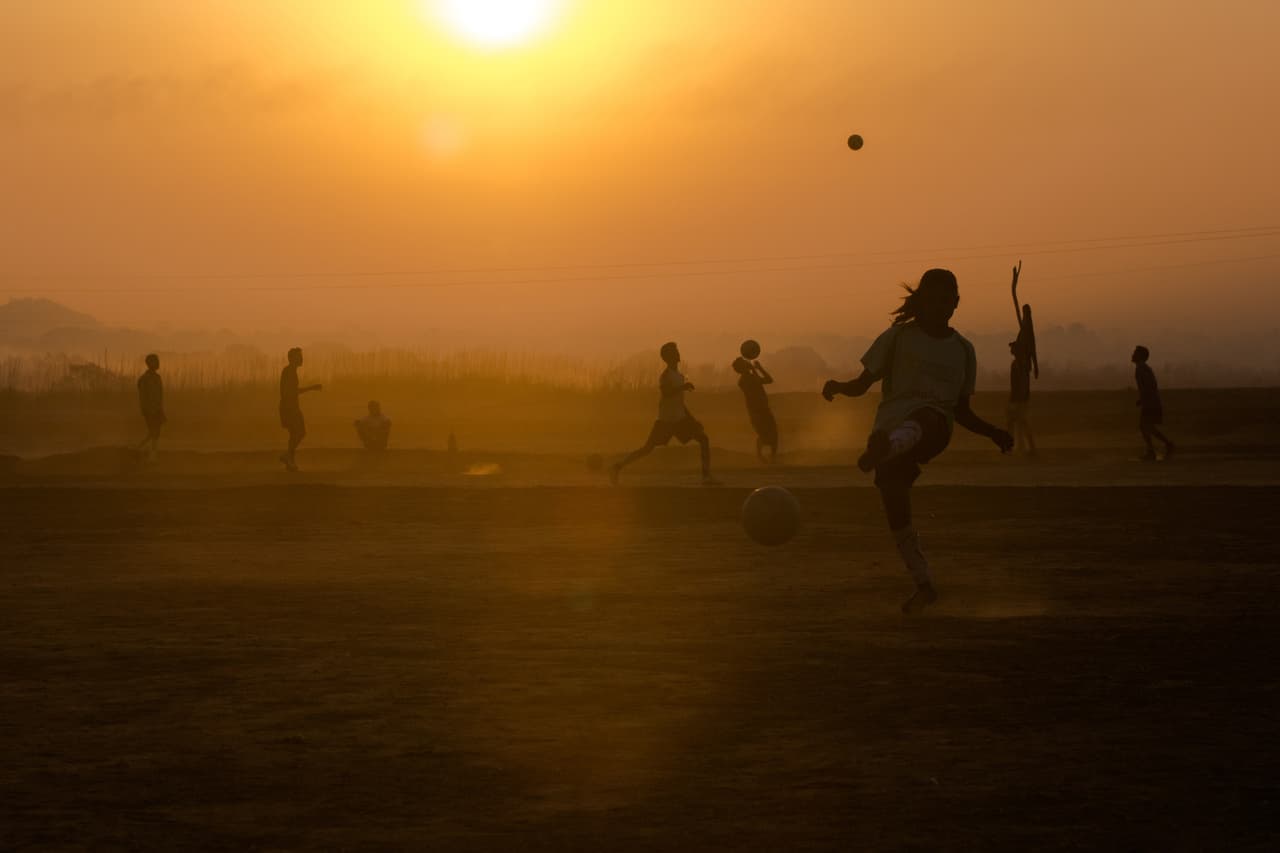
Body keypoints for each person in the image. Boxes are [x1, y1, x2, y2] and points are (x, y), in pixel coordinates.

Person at [822, 269, 1013, 614]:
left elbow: (962, 411)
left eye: (947, 300)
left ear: (956, 303)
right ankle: (924, 585)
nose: (940, 307)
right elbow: (862, 384)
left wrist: (993, 432)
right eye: (933, 300)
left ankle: (886, 447)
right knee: (897, 514)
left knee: (924, 417)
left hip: (934, 430)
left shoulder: (963, 351)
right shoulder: (897, 338)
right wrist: (837, 386)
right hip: (887, 434)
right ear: (920, 302)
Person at [611, 341, 718, 485]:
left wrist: (693, 419)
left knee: (704, 439)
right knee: (647, 449)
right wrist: (683, 387)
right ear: (669, 357)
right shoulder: (666, 375)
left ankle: (706, 476)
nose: (678, 354)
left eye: (677, 351)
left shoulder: (678, 376)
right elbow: (666, 393)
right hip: (666, 421)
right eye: (675, 352)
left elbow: (680, 403)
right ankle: (617, 467)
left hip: (680, 419)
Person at [279, 347, 321, 472]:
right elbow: (292, 392)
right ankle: (288, 456)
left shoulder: (291, 371)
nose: (302, 359)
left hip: (291, 407)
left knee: (294, 434)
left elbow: (292, 391)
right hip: (289, 408)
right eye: (299, 356)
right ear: (293, 358)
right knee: (300, 433)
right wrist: (312, 388)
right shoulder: (289, 372)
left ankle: (290, 461)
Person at [1132, 345, 1175, 461]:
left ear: (1140, 356)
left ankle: (1152, 451)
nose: (1132, 355)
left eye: (1135, 353)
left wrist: (1143, 399)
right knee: (1148, 427)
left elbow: (1149, 386)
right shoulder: (1143, 368)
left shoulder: (1141, 369)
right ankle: (1166, 445)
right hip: (1151, 402)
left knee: (1145, 426)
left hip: (1150, 403)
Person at [733, 356, 778, 463]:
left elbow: (769, 380)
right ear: (742, 368)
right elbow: (760, 381)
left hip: (764, 409)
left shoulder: (750, 377)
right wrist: (755, 368)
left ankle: (772, 458)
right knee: (763, 435)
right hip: (756, 412)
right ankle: (760, 456)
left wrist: (759, 368)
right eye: (745, 363)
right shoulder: (743, 381)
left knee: (774, 433)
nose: (747, 363)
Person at [1010, 260, 1039, 380]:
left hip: (1025, 362)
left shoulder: (1028, 330)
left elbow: (1032, 348)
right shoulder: (1024, 329)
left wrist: (1035, 365)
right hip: (1022, 362)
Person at [1007, 339, 1036, 455]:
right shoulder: (1019, 363)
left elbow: (1021, 383)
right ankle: (1021, 446)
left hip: (1020, 399)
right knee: (1019, 422)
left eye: (1013, 348)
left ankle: (1024, 446)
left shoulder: (1021, 364)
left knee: (1020, 422)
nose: (1011, 350)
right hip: (1018, 398)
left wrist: (1019, 398)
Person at [135, 353, 165, 460]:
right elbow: (143, 397)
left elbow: (160, 396)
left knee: (154, 433)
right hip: (149, 410)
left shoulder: (157, 378)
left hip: (157, 410)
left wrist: (161, 409)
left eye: (157, 360)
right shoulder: (144, 379)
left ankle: (138, 448)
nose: (158, 363)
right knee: (154, 433)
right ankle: (152, 455)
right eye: (155, 361)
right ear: (149, 364)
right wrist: (146, 410)